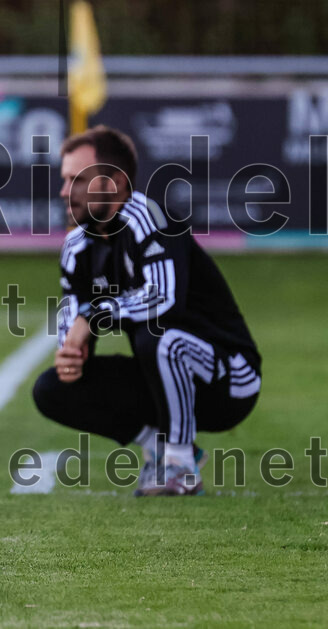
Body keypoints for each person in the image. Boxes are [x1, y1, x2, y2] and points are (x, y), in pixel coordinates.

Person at [32, 126, 261, 496]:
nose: (64, 192)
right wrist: (71, 353)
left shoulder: (152, 220)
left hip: (229, 379)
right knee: (53, 389)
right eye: (65, 179)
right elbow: (71, 317)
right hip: (161, 377)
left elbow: (162, 299)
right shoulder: (77, 246)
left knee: (156, 334)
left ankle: (180, 464)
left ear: (117, 182)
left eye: (78, 179)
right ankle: (159, 449)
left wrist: (93, 317)